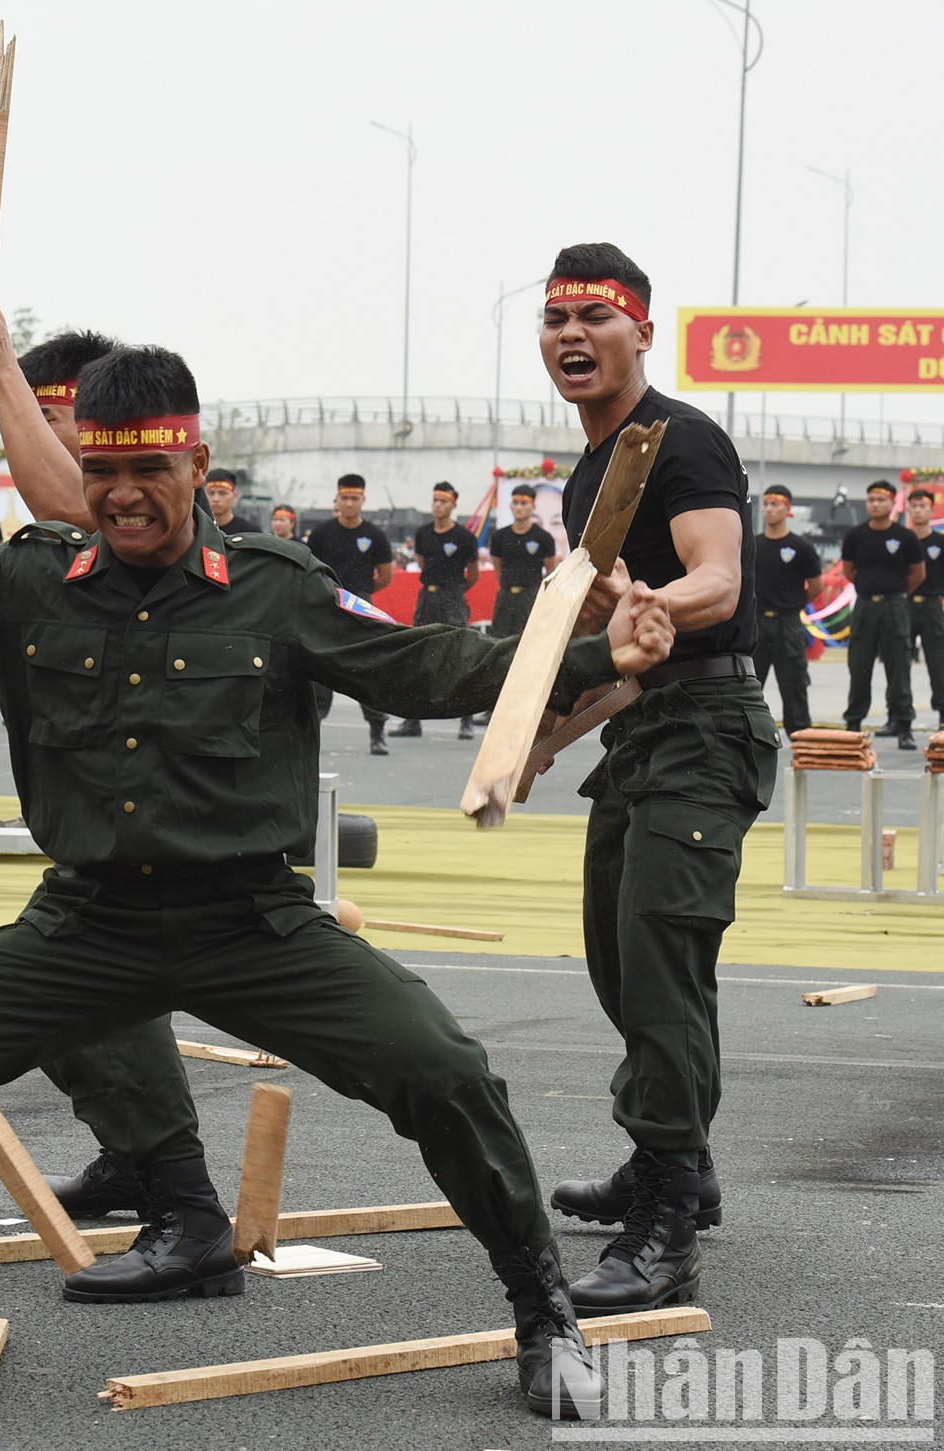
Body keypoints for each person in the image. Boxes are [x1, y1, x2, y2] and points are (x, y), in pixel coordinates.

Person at [0, 345, 680, 1421]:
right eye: (101, 471)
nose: (123, 494)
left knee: (446, 1070)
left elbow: (430, 665)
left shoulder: (278, 587)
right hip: (89, 922)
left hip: (252, 921)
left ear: (196, 464)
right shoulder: (29, 582)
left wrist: (591, 655)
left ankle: (544, 1315)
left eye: (150, 469)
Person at [530, 244, 778, 1317]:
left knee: (662, 958)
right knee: (621, 959)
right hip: (644, 731)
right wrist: (544, 738)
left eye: (594, 316)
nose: (571, 335)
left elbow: (715, 583)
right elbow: (627, 658)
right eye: (554, 320)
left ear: (641, 331)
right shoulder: (594, 472)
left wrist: (650, 603)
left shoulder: (682, 437)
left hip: (708, 730)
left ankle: (666, 1220)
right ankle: (677, 1160)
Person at [0, 305, 220, 1223]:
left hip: (185, 808)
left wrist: (0, 370)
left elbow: (67, 500)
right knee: (62, 992)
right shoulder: (68, 556)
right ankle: (135, 1157)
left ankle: (177, 1191)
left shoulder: (145, 520)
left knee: (83, 978)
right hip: (104, 806)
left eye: (44, 416)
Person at [306, 474, 396, 756]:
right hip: (326, 607)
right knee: (319, 671)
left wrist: (360, 595)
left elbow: (386, 576)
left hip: (361, 609)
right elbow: (309, 569)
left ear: (363, 500)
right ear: (337, 499)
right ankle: (309, 737)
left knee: (367, 669)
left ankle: (377, 733)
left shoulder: (374, 535)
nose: (349, 503)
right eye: (344, 498)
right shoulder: (321, 533)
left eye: (354, 498)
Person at [390, 481, 479, 740]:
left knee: (460, 656)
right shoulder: (424, 533)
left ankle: (466, 720)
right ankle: (412, 720)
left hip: (453, 599)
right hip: (427, 598)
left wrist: (453, 590)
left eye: (444, 502)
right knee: (418, 655)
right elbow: (423, 563)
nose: (438, 506)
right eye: (436, 501)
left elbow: (473, 575)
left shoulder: (464, 537)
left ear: (453, 504)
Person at [839, 480, 923, 749]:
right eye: (871, 500)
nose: (875, 504)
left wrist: (896, 592)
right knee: (859, 666)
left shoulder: (905, 537)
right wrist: (869, 588)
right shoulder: (856, 535)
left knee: (899, 667)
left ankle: (903, 724)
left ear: (892, 503)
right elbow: (849, 570)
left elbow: (918, 574)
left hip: (895, 607)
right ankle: (854, 723)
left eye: (881, 500)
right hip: (865, 607)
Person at [751, 484, 823, 739]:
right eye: (766, 504)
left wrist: (794, 604)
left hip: (788, 623)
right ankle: (747, 733)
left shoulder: (800, 547)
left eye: (776, 504)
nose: (769, 509)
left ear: (787, 509)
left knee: (794, 683)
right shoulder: (754, 544)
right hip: (758, 622)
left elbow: (816, 585)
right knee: (750, 681)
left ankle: (800, 734)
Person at [488, 483, 560, 639]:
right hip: (506, 597)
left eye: (524, 503)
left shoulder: (543, 537)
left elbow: (550, 572)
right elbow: (498, 570)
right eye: (515, 503)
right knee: (499, 640)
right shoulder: (499, 536)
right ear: (510, 506)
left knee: (530, 639)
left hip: (531, 597)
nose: (519, 507)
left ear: (533, 506)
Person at [909, 487, 944, 730]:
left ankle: (942, 711)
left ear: (932, 510)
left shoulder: (939, 542)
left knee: (938, 661)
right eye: (914, 506)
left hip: (932, 605)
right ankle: (899, 714)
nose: (918, 510)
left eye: (923, 506)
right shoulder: (903, 540)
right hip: (905, 604)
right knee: (898, 662)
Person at [202, 467, 260, 534]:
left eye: (223, 493)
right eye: (211, 493)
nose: (216, 499)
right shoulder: (198, 530)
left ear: (234, 496)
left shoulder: (250, 532)